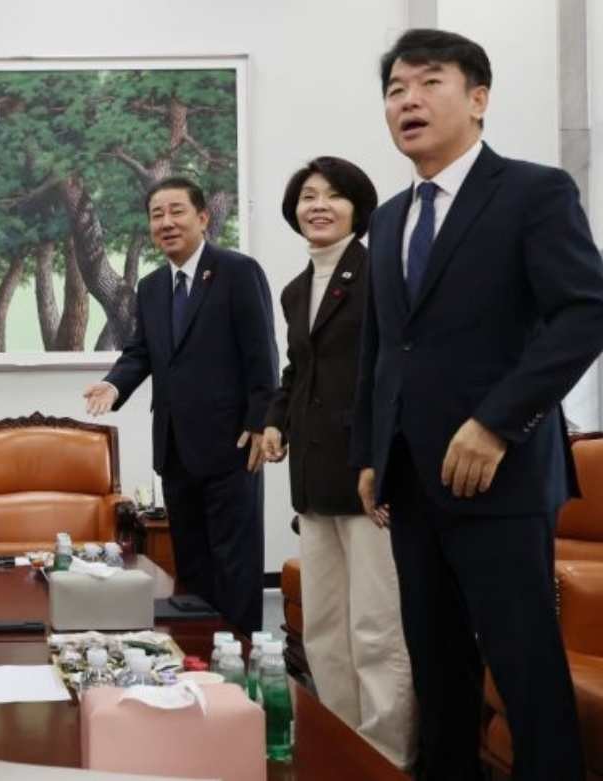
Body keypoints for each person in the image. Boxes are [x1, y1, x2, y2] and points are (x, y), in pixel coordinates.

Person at [353, 29, 603, 780]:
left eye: (428, 83)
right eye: (395, 89)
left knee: (523, 669)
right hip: (408, 477)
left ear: (479, 98)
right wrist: (372, 450)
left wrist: (498, 421)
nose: (408, 101)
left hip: (498, 477)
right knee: (437, 671)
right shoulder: (391, 216)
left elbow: (584, 311)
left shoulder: (532, 191)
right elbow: (383, 346)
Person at [261, 157, 416, 768]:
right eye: (306, 196)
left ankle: (387, 754)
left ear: (358, 206)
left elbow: (397, 369)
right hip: (314, 479)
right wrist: (276, 419)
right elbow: (300, 371)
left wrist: (382, 458)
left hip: (369, 476)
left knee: (377, 628)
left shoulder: (383, 271)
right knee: (323, 629)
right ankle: (344, 744)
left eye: (332, 196)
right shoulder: (297, 288)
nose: (317, 206)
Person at [84, 176, 277, 637]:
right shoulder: (151, 286)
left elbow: (261, 354)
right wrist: (114, 386)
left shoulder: (237, 271)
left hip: (232, 446)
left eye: (177, 211)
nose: (166, 223)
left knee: (234, 563)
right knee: (190, 563)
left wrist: (260, 422)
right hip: (174, 449)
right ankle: (198, 656)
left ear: (203, 217)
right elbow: (142, 352)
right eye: (157, 215)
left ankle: (241, 659)